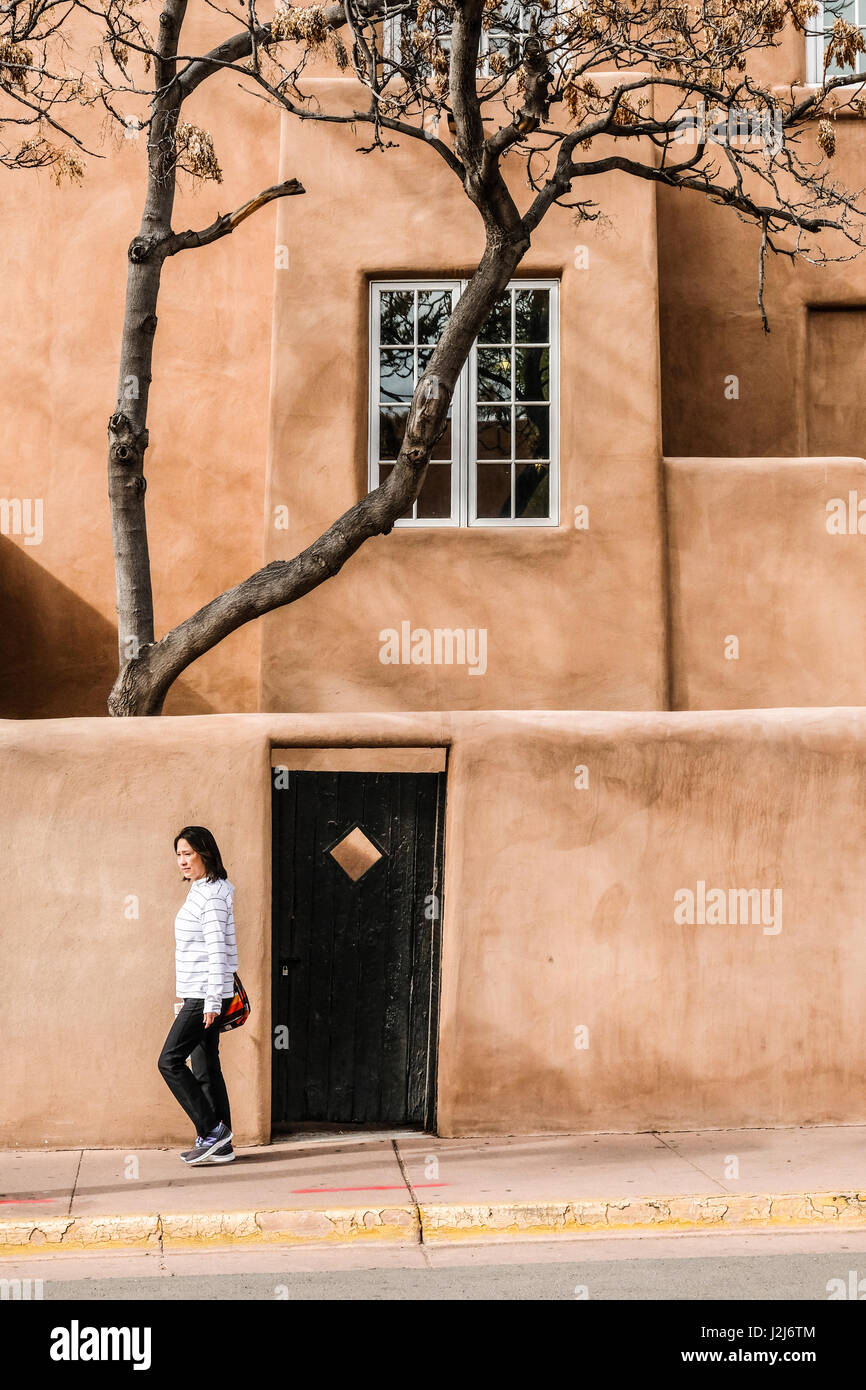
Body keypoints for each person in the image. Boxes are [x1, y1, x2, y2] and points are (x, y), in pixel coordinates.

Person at [158, 826, 239, 1165]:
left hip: (206, 996)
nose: (182, 861)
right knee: (206, 1066)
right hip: (200, 993)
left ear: (205, 853)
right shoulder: (200, 890)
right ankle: (223, 1145)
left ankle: (212, 1130)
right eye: (178, 854)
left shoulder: (214, 894)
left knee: (170, 1061)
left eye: (188, 854)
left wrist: (210, 1001)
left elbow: (217, 952)